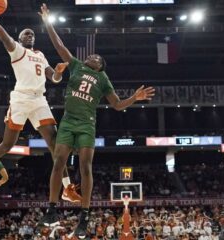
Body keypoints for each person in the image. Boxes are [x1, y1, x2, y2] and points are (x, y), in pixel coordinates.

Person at [37, 4, 155, 239]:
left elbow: (117, 104)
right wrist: (48, 22)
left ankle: (84, 215)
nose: (92, 56)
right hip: (69, 121)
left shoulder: (103, 79)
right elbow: (59, 46)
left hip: (87, 124)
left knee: (85, 167)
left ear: (100, 65)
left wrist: (135, 97)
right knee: (58, 160)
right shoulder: (76, 66)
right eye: (91, 55)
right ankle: (51, 209)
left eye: (96, 57)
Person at [0, 0, 81, 203]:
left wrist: (59, 73)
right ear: (20, 38)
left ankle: (66, 188)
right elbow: (4, 37)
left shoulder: (40, 55)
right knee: (6, 145)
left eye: (33, 34)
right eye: (26, 34)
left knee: (55, 145)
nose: (30, 35)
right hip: (20, 99)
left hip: (39, 101)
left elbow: (53, 78)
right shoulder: (17, 50)